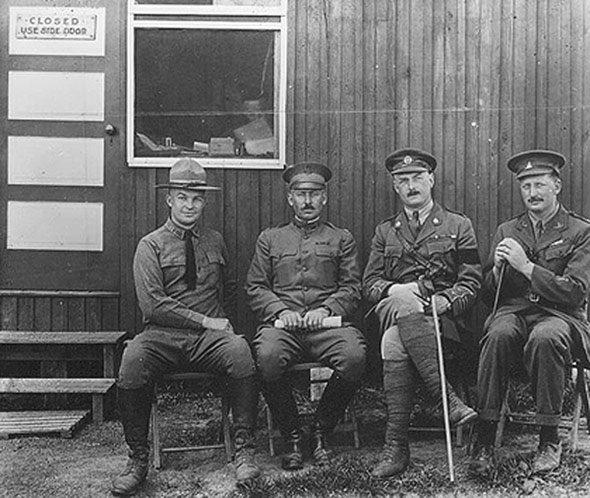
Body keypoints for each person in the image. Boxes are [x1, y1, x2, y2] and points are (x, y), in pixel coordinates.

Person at [111, 158, 260, 496]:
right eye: (182, 197)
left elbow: (231, 285)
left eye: (196, 199)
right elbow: (153, 305)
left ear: (204, 202)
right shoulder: (150, 246)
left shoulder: (215, 240)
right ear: (169, 200)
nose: (190, 205)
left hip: (209, 340)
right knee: (132, 359)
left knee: (240, 351)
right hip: (162, 337)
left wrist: (227, 324)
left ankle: (244, 450)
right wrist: (206, 319)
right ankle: (137, 459)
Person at [362, 148, 482, 478]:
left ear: (431, 179)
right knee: (402, 304)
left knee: (393, 341)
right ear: (395, 187)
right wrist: (394, 290)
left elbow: (472, 282)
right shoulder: (385, 231)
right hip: (393, 307)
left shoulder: (458, 225)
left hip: (441, 321)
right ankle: (447, 401)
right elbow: (369, 283)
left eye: (417, 177)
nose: (411, 185)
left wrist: (445, 301)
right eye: (403, 180)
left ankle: (396, 447)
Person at [469, 150, 590, 475]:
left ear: (557, 186)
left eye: (539, 185)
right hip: (514, 313)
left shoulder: (580, 231)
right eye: (526, 187)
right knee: (497, 332)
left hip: (561, 318)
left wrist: (526, 266)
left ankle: (549, 439)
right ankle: (484, 439)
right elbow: (488, 297)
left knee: (545, 336)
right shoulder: (508, 229)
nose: (532, 194)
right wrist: (496, 272)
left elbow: (576, 291)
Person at [245, 162, 367, 470]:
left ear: (325, 197)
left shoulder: (341, 239)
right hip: (282, 327)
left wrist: (326, 309)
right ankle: (293, 436)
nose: (308, 201)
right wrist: (280, 311)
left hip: (327, 326)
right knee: (268, 358)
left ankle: (321, 431)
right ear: (290, 198)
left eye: (314, 194)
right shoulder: (270, 239)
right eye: (301, 194)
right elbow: (255, 287)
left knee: (354, 357)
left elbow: (353, 287)